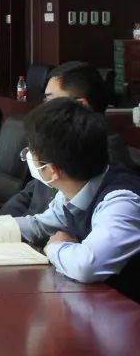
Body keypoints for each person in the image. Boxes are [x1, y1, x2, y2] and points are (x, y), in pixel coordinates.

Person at [14, 99, 140, 301]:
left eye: (31, 152)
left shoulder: (122, 202)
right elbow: (39, 225)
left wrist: (55, 246)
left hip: (126, 310)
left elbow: (87, 265)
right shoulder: (74, 187)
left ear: (52, 171)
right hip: (96, 302)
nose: (28, 156)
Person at [0, 61, 138, 217]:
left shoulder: (105, 153)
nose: (44, 108)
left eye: (50, 100)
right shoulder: (58, 139)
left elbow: (76, 220)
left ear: (81, 106)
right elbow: (30, 193)